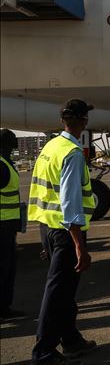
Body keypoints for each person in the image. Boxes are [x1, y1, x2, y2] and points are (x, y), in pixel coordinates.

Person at [27, 99, 99, 365]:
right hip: (65, 231)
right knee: (57, 292)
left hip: (48, 227)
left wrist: (46, 237)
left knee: (65, 290)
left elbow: (43, 192)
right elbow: (70, 203)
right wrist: (80, 245)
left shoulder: (50, 146)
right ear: (83, 121)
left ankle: (70, 340)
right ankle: (42, 355)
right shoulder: (72, 153)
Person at [1, 128, 24, 321]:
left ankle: (5, 308)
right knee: (3, 269)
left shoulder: (7, 163)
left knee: (8, 269)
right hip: (2, 225)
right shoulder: (1, 165)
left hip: (8, 225)